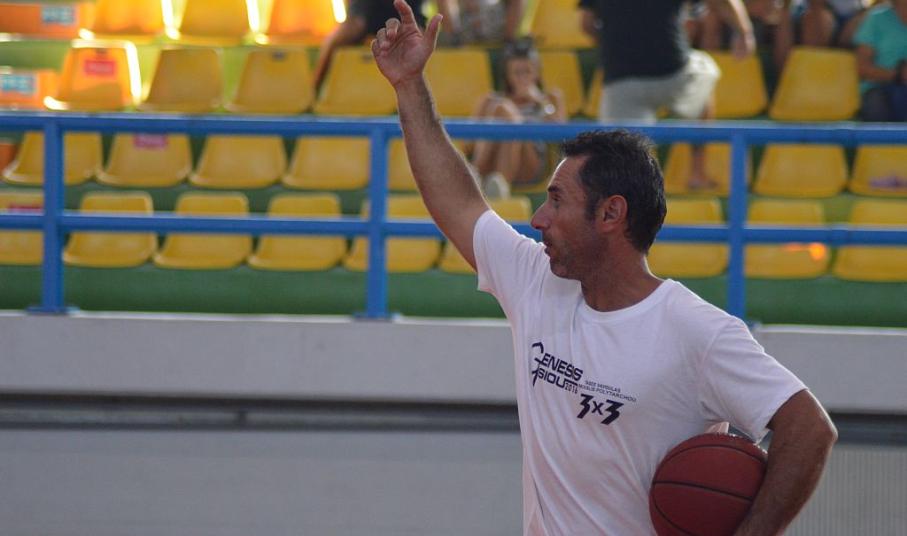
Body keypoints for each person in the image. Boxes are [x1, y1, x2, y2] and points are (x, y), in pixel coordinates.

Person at [370, 1, 837, 534]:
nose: (538, 218)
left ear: (611, 214)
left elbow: (809, 430)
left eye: (557, 201)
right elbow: (456, 201)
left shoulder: (696, 331)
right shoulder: (535, 279)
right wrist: (409, 86)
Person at [578, 0, 756, 191]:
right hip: (674, 73)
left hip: (621, 81)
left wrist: (611, 43)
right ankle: (697, 173)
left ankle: (645, 189)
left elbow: (586, 24)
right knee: (706, 71)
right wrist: (744, 32)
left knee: (624, 165)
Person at [470, 38, 567, 198]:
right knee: (501, 109)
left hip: (531, 161)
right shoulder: (490, 101)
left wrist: (539, 102)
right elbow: (469, 144)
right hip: (493, 160)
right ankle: (496, 185)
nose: (522, 78)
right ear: (508, 75)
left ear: (537, 73)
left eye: (527, 72)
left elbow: (562, 139)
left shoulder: (551, 98)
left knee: (505, 112)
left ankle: (473, 179)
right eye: (516, 73)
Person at [314, 0, 428, 88]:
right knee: (342, 36)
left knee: (416, 39)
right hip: (365, 8)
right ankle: (314, 89)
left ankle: (414, 95)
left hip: (408, 8)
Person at [853, 0, 907, 121]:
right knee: (876, 106)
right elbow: (861, 67)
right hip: (879, 89)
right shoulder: (876, 18)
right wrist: (897, 75)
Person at [436, 0, 525, 46]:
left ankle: (509, 43)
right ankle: (454, 40)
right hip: (462, 33)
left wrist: (508, 37)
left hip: (498, 33)